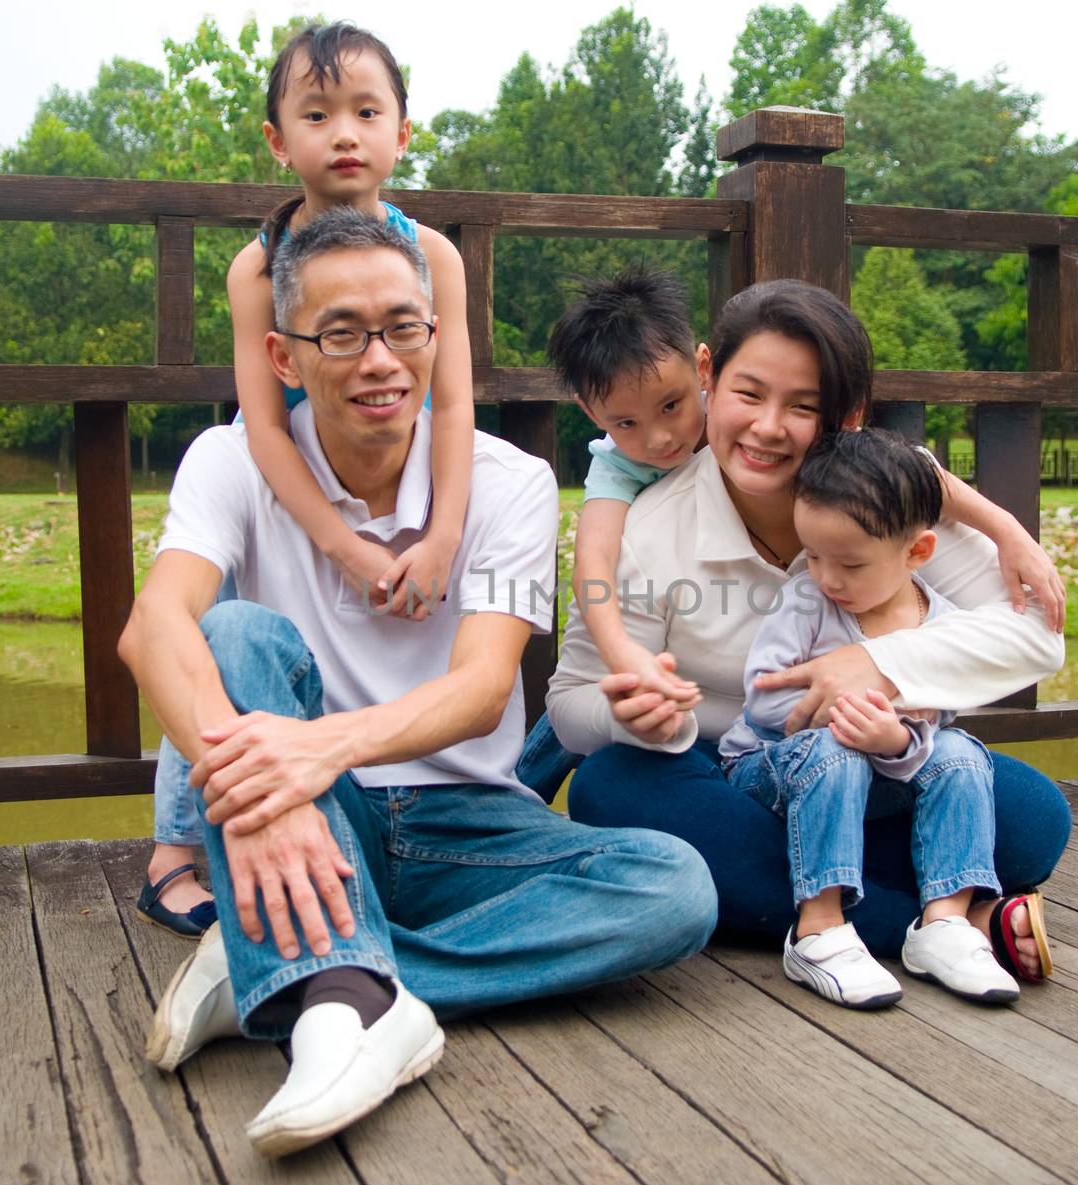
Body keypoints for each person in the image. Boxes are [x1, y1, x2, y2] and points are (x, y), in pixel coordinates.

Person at [119, 209, 716, 1158]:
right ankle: (340, 1004)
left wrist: (321, 742)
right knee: (229, 631)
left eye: (405, 327)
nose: (381, 359)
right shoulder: (230, 459)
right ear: (281, 355)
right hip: (322, 810)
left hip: (466, 818)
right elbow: (152, 627)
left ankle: (287, 969)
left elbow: (482, 691)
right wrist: (294, 772)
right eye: (343, 333)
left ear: (435, 338)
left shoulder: (507, 478)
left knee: (674, 886)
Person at [546, 279, 1070, 979]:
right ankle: (943, 920)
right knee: (611, 787)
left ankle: (812, 905)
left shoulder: (891, 497)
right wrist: (631, 715)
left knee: (1031, 816)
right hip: (728, 776)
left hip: (871, 765)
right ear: (708, 376)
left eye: (803, 406)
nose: (767, 426)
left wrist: (878, 662)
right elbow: (569, 704)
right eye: (748, 393)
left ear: (847, 417)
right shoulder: (646, 531)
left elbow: (1036, 636)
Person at [139, 22, 476, 936]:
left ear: (403, 132)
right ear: (277, 140)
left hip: (380, 453)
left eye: (368, 112)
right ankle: (175, 843)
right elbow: (259, 421)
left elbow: (451, 404)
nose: (345, 134)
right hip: (285, 470)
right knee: (210, 629)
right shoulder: (258, 265)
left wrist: (438, 535)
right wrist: (342, 543)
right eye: (317, 113)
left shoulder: (432, 255)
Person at [722, 428, 1042, 1009]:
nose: (826, 578)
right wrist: (851, 717)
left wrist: (892, 736)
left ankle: (944, 922)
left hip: (878, 777)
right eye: (812, 555)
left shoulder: (941, 625)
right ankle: (819, 927)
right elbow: (765, 702)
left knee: (963, 753)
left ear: (917, 552)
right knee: (838, 750)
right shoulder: (805, 604)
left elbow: (934, 722)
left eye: (849, 563)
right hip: (774, 765)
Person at [516, 265, 707, 798]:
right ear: (590, 411)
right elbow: (593, 566)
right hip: (615, 627)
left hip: (692, 618)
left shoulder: (737, 424)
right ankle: (520, 799)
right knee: (575, 720)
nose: (660, 437)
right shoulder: (614, 467)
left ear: (702, 368)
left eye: (672, 404)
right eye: (626, 423)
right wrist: (621, 651)